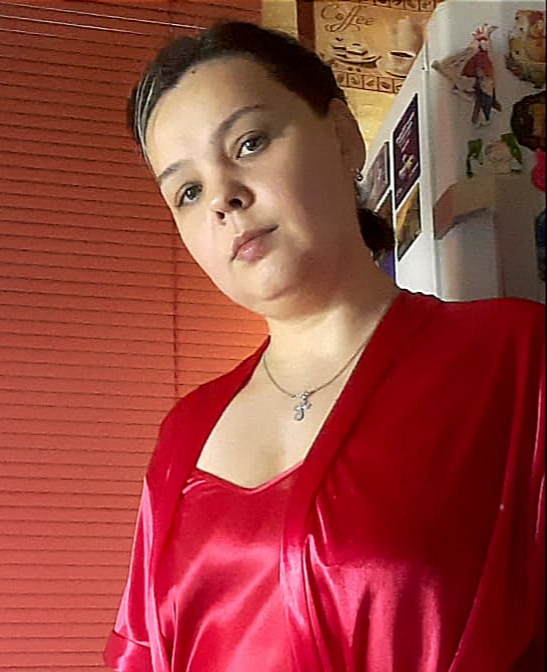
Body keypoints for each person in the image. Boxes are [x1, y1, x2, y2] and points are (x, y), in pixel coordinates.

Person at [104, 21, 545, 672]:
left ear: (341, 135)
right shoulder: (183, 436)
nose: (222, 198)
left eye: (249, 142)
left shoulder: (514, 357)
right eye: (187, 191)